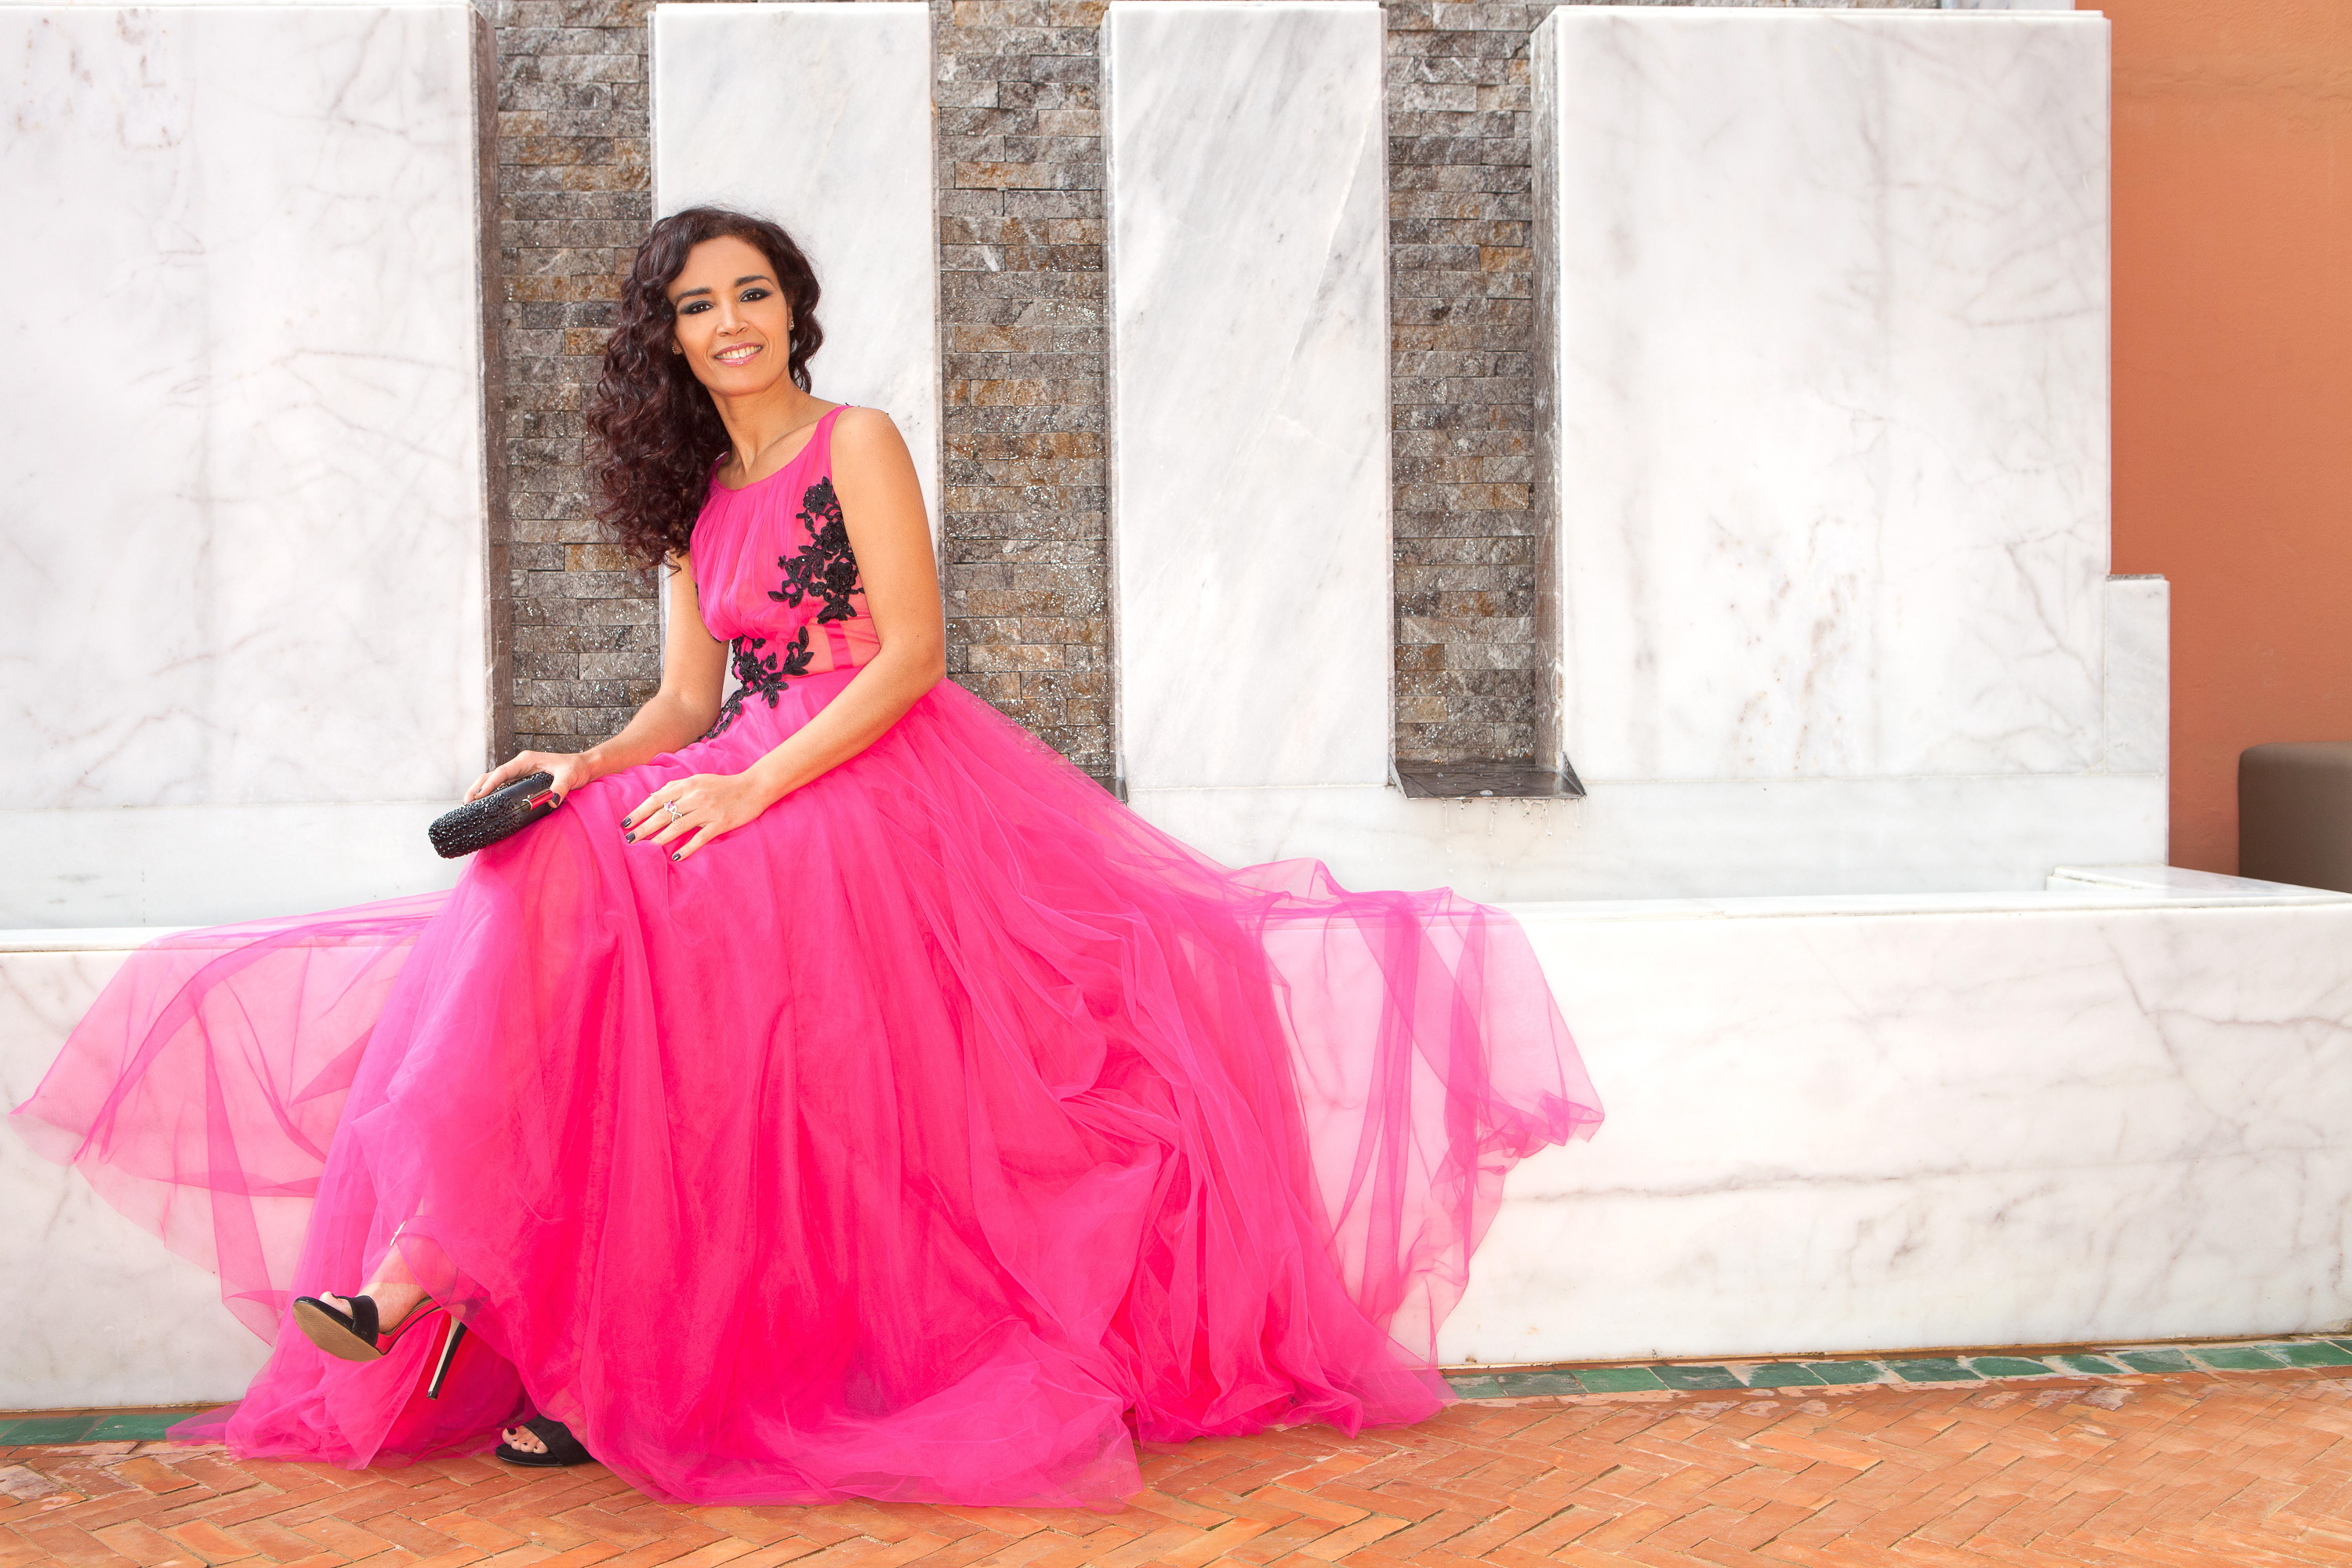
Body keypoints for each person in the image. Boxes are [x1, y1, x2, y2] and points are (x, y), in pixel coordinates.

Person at [13, 206, 1602, 1507]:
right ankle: (446, 1283)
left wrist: (751, 792)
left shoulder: (857, 441)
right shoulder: (696, 495)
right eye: (699, 305)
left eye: (753, 294)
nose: (732, 323)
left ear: (794, 310)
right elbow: (680, 701)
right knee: (542, 871)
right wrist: (586, 763)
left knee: (688, 942)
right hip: (744, 756)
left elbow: (910, 653)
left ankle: (486, 1307)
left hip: (866, 769)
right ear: (670, 338)